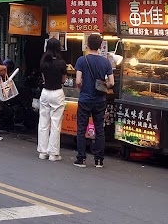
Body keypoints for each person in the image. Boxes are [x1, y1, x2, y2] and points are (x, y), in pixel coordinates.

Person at [74, 33, 114, 168]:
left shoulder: (81, 60)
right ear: (101, 46)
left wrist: (81, 87)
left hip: (85, 98)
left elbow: (78, 81)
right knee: (99, 129)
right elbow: (111, 82)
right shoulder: (105, 61)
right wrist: (103, 86)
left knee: (81, 129)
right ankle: (99, 160)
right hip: (100, 100)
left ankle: (81, 159)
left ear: (87, 45)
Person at [38, 38, 68, 161]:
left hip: (45, 92)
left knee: (43, 122)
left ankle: (42, 151)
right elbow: (63, 80)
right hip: (57, 92)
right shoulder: (61, 63)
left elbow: (44, 78)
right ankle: (53, 153)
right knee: (55, 123)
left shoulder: (43, 61)